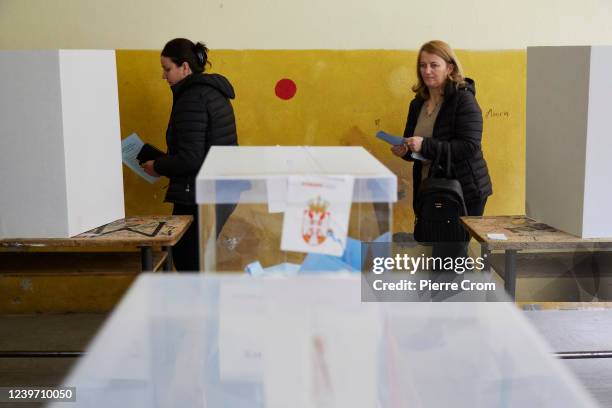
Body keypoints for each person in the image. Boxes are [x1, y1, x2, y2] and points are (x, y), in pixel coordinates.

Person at [391, 40, 492, 265]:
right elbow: (416, 146)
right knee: (438, 250)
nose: (427, 71)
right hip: (431, 186)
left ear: (450, 68)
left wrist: (425, 145)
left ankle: (452, 297)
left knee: (452, 254)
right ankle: (440, 295)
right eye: (422, 65)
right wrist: (405, 150)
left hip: (464, 189)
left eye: (434, 65)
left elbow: (469, 146)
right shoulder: (417, 104)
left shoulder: (463, 100)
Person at [142, 38, 238, 272]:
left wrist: (158, 165)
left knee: (188, 262)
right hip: (220, 190)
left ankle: (197, 309)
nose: (164, 76)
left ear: (185, 67)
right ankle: (205, 308)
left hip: (198, 193)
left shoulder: (191, 98)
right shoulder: (213, 92)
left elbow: (191, 158)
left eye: (167, 69)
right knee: (200, 260)